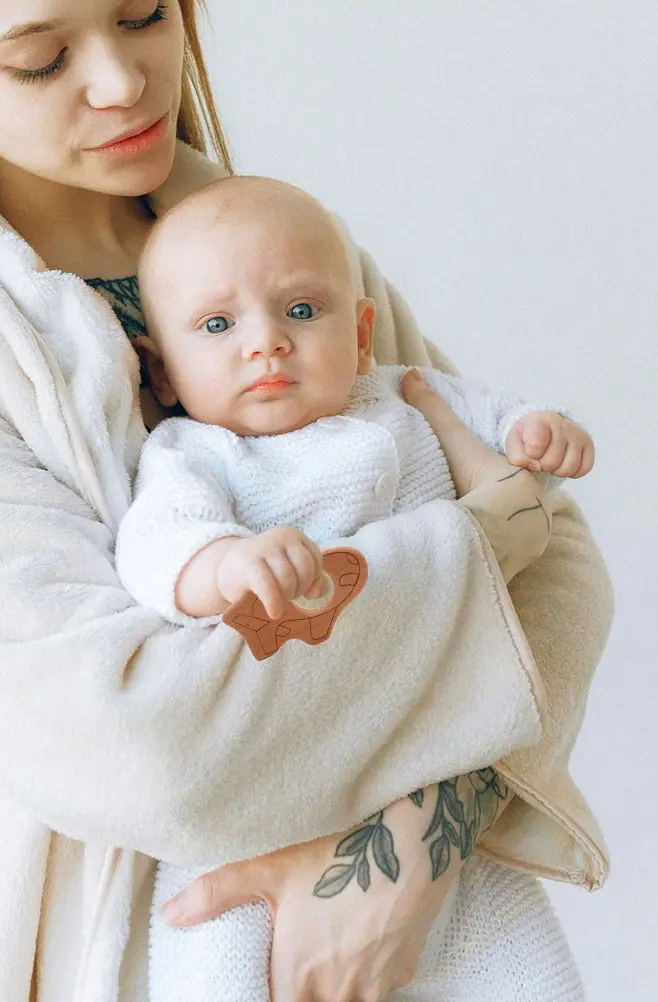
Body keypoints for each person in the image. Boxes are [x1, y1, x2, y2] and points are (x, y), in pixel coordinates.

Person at [0, 2, 612, 1001]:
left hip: (422, 930)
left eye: (143, 15)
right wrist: (471, 560)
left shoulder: (273, 238)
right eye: (42, 60)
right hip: (102, 947)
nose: (124, 82)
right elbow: (139, 746)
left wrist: (414, 849)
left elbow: (560, 570)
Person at [113, 175, 594, 1001]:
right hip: (281, 768)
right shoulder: (196, 454)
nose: (267, 343)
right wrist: (226, 564)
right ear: (162, 371)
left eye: (301, 311)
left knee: (499, 956)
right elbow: (157, 546)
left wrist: (536, 431)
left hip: (427, 756)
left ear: (362, 333)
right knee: (229, 952)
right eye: (219, 326)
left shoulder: (404, 395)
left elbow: (503, 429)